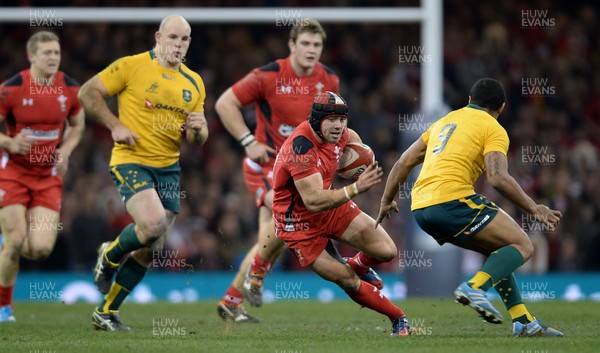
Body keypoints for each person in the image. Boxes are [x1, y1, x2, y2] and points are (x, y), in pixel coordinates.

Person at [215, 19, 381, 322]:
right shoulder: (268, 75)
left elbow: (332, 127)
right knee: (287, 219)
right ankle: (256, 277)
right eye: (305, 43)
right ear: (292, 45)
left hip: (304, 170)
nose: (311, 50)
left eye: (317, 45)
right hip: (268, 165)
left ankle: (232, 299)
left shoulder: (329, 79)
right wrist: (247, 140)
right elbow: (225, 103)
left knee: (271, 236)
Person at [376, 78, 563, 337]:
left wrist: (386, 200)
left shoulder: (443, 122)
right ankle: (474, 287)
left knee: (500, 250)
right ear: (502, 107)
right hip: (452, 201)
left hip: (421, 208)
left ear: (468, 100)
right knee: (523, 245)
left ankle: (523, 322)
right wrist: (533, 208)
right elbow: (497, 178)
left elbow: (403, 162)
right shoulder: (493, 128)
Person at [78, 15, 208, 331]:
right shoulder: (132, 66)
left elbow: (195, 138)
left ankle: (106, 312)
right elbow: (87, 93)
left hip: (169, 170)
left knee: (151, 249)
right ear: (158, 37)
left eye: (184, 39)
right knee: (152, 225)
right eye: (173, 37)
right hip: (130, 160)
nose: (178, 45)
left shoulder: (194, 83)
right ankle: (108, 254)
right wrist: (115, 124)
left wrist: (199, 132)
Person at [271, 91, 409, 336]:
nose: (338, 126)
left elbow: (360, 153)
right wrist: (356, 187)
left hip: (330, 207)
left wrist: (363, 166)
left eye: (342, 119)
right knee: (347, 280)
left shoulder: (344, 136)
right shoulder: (300, 148)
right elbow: (312, 200)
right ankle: (398, 318)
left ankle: (357, 264)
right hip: (298, 224)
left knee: (386, 251)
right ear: (316, 120)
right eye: (331, 120)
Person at [0, 31, 85, 323]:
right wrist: (10, 143)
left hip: (47, 176)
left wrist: (67, 150)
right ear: (31, 56)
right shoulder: (11, 89)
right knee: (16, 240)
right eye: (46, 53)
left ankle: (6, 242)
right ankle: (3, 308)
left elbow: (77, 125)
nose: (53, 58)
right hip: (12, 173)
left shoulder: (71, 89)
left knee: (39, 249)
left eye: (56, 53)